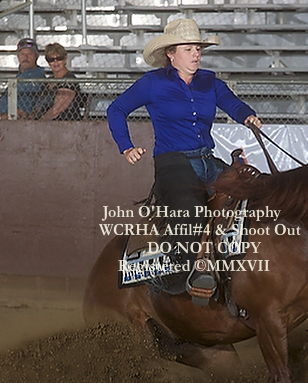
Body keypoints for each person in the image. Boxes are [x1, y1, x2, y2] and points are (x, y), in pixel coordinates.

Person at [107, 18, 262, 304]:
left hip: (207, 161)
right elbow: (116, 109)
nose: (196, 55)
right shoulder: (153, 83)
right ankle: (177, 281)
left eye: (198, 49)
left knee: (254, 192)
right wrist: (126, 147)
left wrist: (247, 115)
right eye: (188, 49)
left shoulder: (209, 81)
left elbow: (232, 103)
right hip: (173, 164)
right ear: (171, 54)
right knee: (191, 213)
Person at [0, 38, 45, 120]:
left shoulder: (37, 77)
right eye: (22, 54)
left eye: (29, 54)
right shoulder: (19, 77)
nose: (25, 57)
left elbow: (23, 111)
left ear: (37, 56)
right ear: (18, 56)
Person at [29, 43, 89, 121]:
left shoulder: (69, 79)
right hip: (45, 123)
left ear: (65, 58)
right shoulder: (47, 82)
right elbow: (37, 107)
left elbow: (56, 110)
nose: (55, 62)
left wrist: (40, 123)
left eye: (59, 58)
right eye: (51, 59)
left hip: (64, 122)